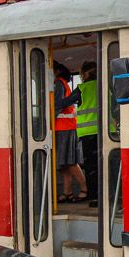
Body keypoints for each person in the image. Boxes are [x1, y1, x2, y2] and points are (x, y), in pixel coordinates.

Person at [53, 62, 87, 202]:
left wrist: (46, 122)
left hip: (65, 127)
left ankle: (84, 188)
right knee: (63, 163)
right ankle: (67, 192)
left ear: (57, 71)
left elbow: (57, 106)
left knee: (70, 161)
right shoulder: (61, 84)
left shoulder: (59, 84)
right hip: (62, 127)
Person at [75, 61, 100, 208]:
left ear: (85, 74)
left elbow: (64, 102)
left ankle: (95, 196)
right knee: (103, 165)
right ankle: (106, 194)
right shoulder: (105, 86)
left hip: (88, 133)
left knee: (91, 167)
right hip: (106, 132)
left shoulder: (82, 89)